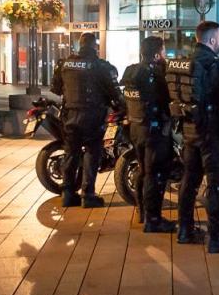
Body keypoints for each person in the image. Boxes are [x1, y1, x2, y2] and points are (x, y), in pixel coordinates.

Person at [166, 21, 219, 249]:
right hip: (212, 134)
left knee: (189, 181)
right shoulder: (216, 66)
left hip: (189, 131)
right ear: (211, 40)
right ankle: (218, 238)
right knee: (216, 186)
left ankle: (184, 230)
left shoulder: (184, 63)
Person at [51, 33, 123, 208]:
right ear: (94, 46)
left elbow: (56, 88)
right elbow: (115, 93)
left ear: (80, 44)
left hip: (69, 115)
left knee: (71, 153)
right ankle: (88, 194)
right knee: (92, 152)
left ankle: (68, 194)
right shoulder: (100, 66)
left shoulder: (65, 64)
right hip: (92, 116)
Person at [120, 36, 176, 232]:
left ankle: (143, 212)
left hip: (136, 128)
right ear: (156, 53)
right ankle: (154, 220)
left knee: (143, 171)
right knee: (156, 174)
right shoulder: (156, 74)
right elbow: (168, 99)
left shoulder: (132, 71)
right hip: (155, 131)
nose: (164, 54)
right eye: (163, 51)